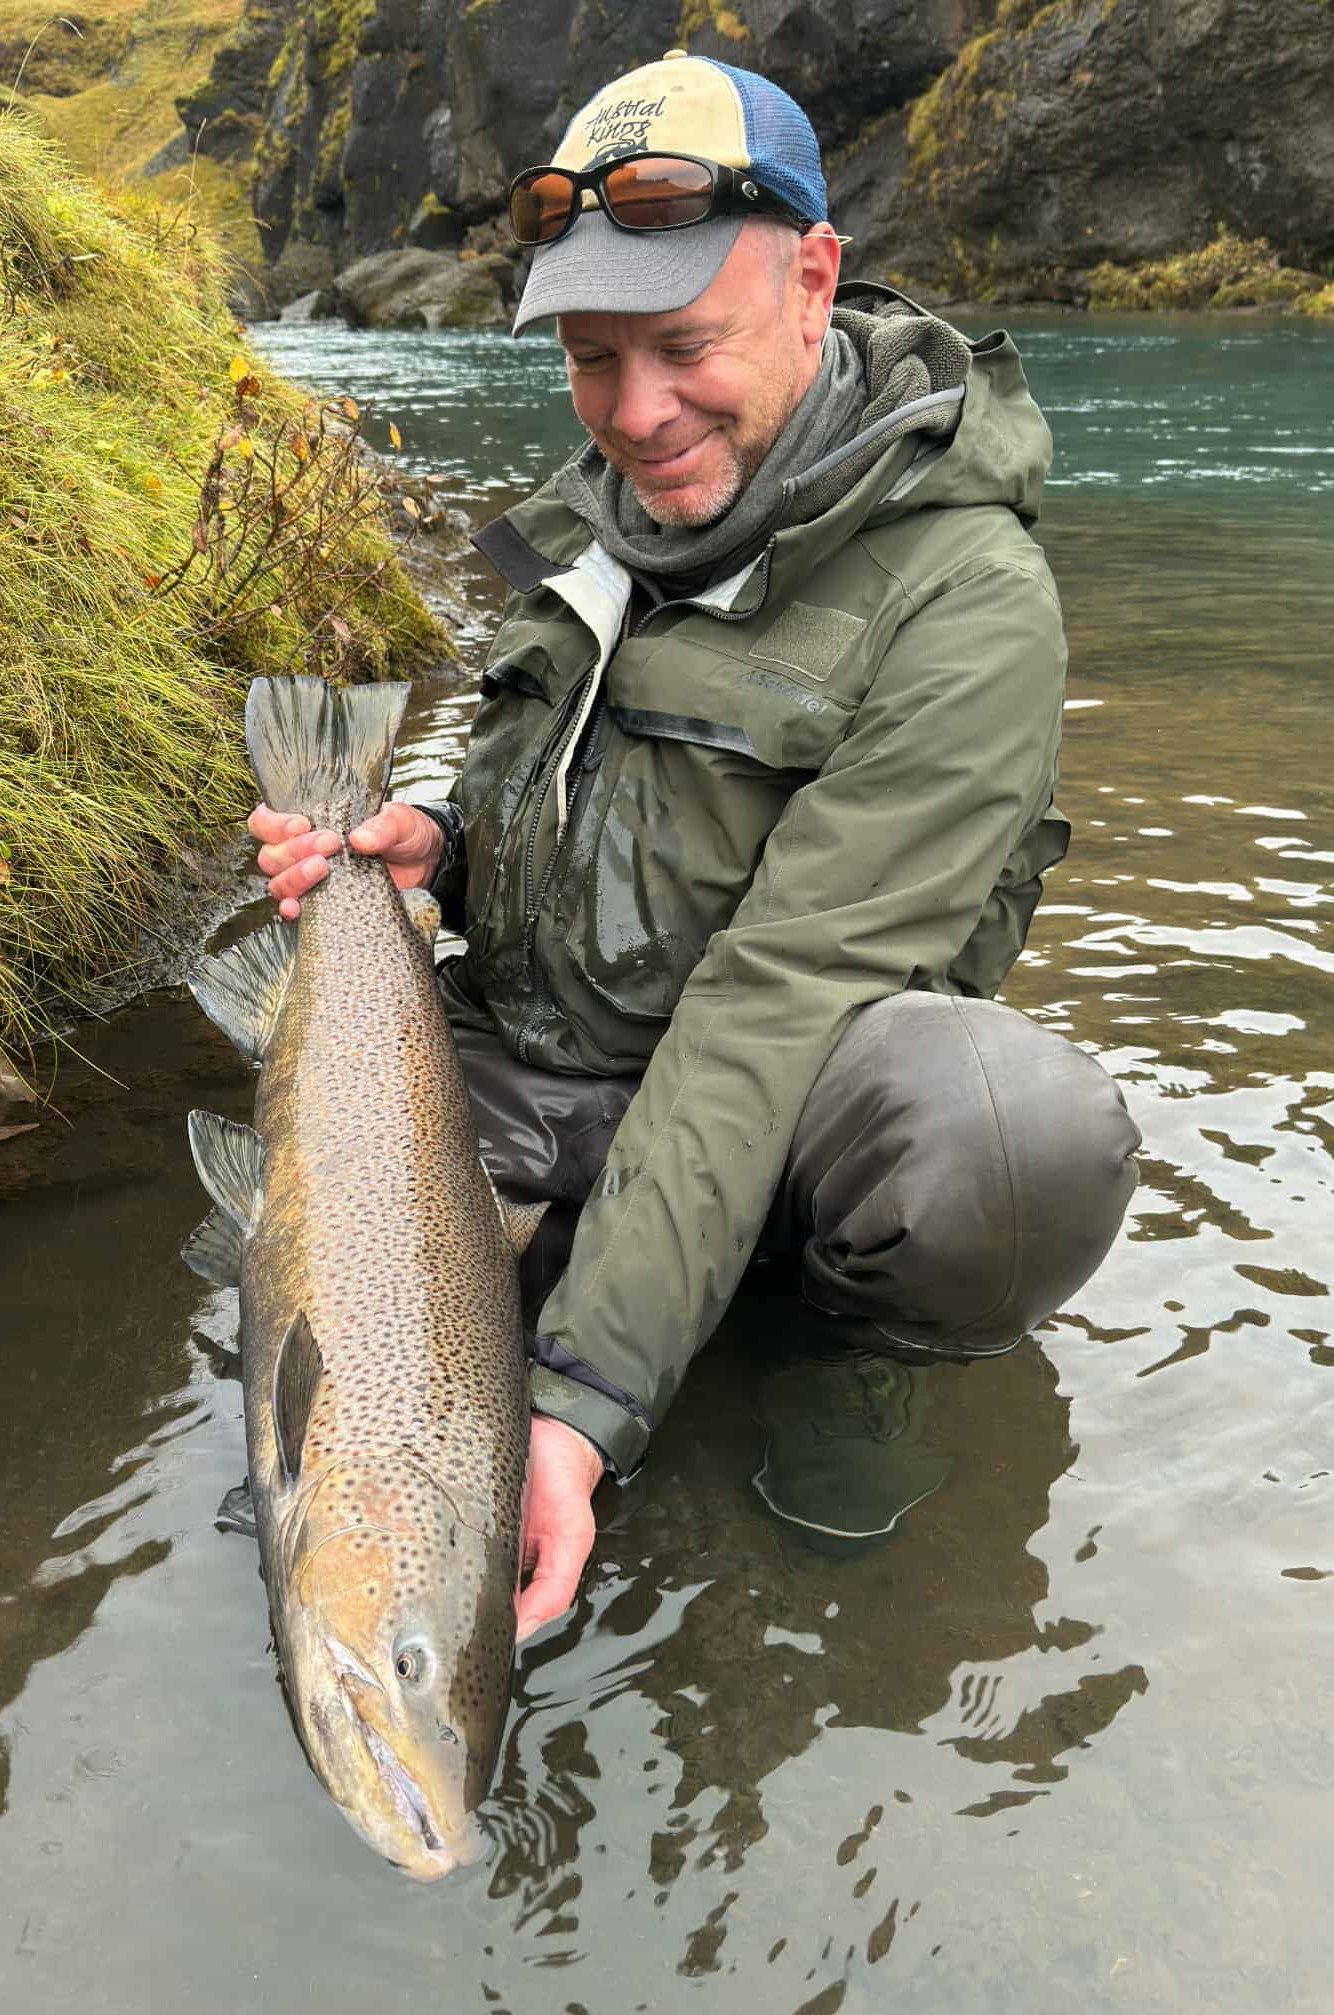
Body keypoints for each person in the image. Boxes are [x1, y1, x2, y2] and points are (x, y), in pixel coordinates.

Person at [248, 51, 1140, 1639]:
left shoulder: (969, 602)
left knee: (1008, 1134)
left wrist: (578, 1409)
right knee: (291, 1340)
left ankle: (841, 1373)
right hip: (535, 1077)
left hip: (767, 1121)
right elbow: (542, 772)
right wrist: (432, 839)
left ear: (813, 279)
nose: (637, 415)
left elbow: (771, 1008)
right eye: (593, 359)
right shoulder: (607, 506)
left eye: (682, 347)